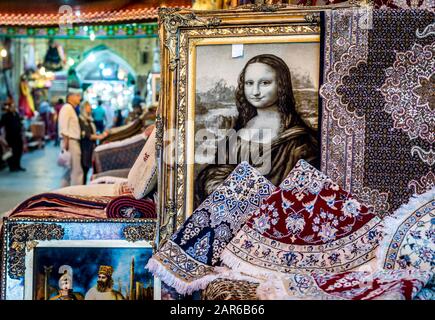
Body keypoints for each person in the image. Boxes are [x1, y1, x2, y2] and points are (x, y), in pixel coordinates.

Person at [195, 54, 318, 205]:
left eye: (265, 83)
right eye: (249, 83)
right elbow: (215, 171)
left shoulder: (300, 141)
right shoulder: (240, 128)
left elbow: (304, 194)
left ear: (282, 85)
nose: (255, 91)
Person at [58, 87, 84, 186]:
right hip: (70, 142)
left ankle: (64, 195)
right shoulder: (67, 108)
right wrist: (66, 144)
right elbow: (63, 128)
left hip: (71, 141)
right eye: (77, 96)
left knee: (69, 172)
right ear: (70, 97)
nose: (79, 98)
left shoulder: (71, 108)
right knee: (76, 171)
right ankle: (76, 196)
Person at [78, 101, 108, 184]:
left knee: (87, 168)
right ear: (84, 108)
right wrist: (99, 136)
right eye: (88, 106)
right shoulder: (81, 119)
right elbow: (87, 135)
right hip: (85, 147)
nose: (90, 108)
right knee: (84, 168)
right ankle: (81, 187)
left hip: (90, 146)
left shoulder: (89, 119)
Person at [0, 98, 26, 172]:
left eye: (14, 106)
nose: (13, 107)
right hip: (10, 137)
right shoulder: (5, 116)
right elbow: (1, 125)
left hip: (18, 136)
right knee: (12, 152)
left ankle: (18, 165)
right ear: (9, 107)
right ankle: (12, 167)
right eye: (12, 106)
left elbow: (20, 124)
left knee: (19, 151)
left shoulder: (16, 114)